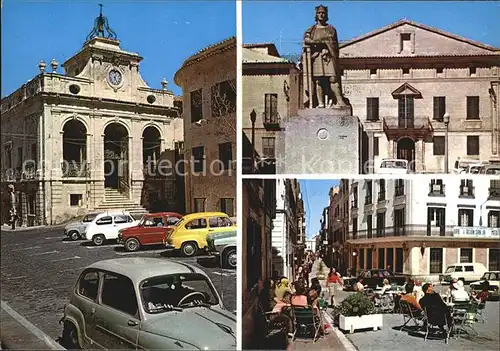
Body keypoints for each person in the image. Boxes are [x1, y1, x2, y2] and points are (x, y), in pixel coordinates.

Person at [302, 5, 347, 108]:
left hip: (328, 56)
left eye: (323, 13)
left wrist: (318, 43)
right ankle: (320, 103)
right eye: (319, 13)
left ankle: (339, 100)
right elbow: (306, 40)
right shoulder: (311, 29)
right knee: (318, 80)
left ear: (326, 15)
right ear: (316, 15)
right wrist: (318, 42)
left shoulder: (331, 29)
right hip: (316, 57)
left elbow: (334, 43)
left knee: (333, 78)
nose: (321, 14)